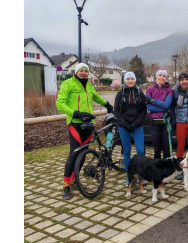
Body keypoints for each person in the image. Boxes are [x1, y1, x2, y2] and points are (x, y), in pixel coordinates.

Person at [56, 62, 113, 199]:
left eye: (86, 71)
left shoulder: (88, 84)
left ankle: (75, 180)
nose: (83, 73)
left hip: (88, 124)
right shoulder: (68, 83)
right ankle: (65, 186)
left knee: (83, 153)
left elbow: (95, 96)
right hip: (75, 123)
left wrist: (107, 104)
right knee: (74, 153)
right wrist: (76, 113)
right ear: (76, 72)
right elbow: (60, 104)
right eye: (81, 71)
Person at [114, 72, 147, 186]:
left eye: (132, 78)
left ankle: (141, 175)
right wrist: (124, 123)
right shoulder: (120, 93)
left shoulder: (139, 93)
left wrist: (137, 123)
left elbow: (144, 110)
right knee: (127, 152)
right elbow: (116, 111)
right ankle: (129, 176)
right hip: (124, 127)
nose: (130, 81)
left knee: (141, 151)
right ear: (125, 81)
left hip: (137, 126)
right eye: (128, 79)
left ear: (135, 80)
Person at [172, 73, 188, 180]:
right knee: (180, 146)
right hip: (180, 121)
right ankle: (180, 169)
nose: (184, 81)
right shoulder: (174, 91)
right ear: (179, 81)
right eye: (182, 80)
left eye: (186, 79)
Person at [146, 69, 173, 159]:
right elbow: (149, 107)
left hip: (165, 123)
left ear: (166, 78)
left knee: (166, 149)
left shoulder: (169, 90)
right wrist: (162, 107)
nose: (161, 77)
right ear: (156, 77)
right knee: (157, 149)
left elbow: (167, 105)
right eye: (160, 75)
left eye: (164, 76)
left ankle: (167, 170)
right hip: (154, 123)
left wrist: (152, 101)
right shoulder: (150, 90)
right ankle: (157, 170)